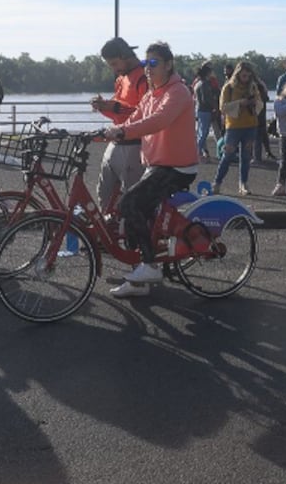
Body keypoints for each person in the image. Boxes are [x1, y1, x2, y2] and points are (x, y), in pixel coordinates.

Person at [102, 41, 197, 298]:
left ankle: (151, 265)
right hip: (156, 166)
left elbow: (159, 121)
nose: (148, 68)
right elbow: (135, 119)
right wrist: (106, 133)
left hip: (177, 167)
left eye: (154, 63)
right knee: (132, 212)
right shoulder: (151, 94)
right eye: (146, 64)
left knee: (129, 204)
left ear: (168, 65)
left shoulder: (178, 92)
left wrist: (125, 131)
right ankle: (139, 280)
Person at [90, 37, 148, 212]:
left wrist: (114, 107)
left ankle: (131, 235)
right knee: (104, 193)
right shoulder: (121, 79)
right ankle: (109, 234)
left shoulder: (144, 77)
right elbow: (117, 112)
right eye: (111, 65)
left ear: (126, 55)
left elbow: (146, 115)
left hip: (135, 145)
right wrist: (103, 106)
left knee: (132, 199)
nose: (114, 69)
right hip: (116, 142)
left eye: (115, 64)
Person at [213, 61, 263, 196]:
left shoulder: (253, 87)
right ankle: (217, 183)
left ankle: (243, 184)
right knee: (228, 155)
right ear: (238, 73)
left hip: (250, 125)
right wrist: (240, 103)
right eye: (243, 73)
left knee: (246, 157)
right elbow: (222, 107)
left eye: (248, 73)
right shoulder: (228, 87)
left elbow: (260, 104)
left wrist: (254, 103)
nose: (245, 76)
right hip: (234, 127)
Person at [192, 62, 219, 162]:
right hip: (205, 110)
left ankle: (199, 152)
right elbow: (206, 99)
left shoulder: (198, 83)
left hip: (199, 110)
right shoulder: (204, 84)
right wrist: (214, 107)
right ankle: (197, 153)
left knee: (201, 132)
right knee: (204, 133)